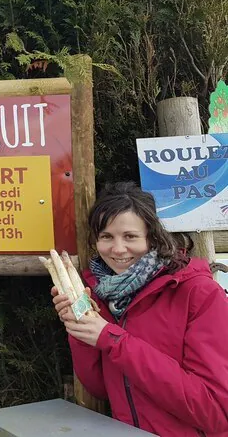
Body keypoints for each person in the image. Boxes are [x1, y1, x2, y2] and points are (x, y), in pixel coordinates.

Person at [52, 182, 228, 436]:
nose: (118, 249)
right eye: (106, 237)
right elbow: (101, 388)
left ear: (152, 237)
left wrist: (114, 340)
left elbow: (216, 412)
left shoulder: (198, 294)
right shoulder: (104, 294)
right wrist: (79, 329)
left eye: (130, 236)